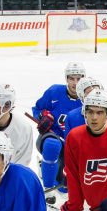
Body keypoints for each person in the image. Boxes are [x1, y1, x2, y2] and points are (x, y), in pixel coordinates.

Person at [32, 62, 86, 193]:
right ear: (66, 79)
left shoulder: (88, 98)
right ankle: (47, 188)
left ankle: (48, 168)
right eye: (71, 78)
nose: (75, 83)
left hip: (77, 144)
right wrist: (42, 116)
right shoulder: (54, 92)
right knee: (52, 145)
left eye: (79, 79)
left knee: (65, 188)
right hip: (54, 136)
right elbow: (37, 109)